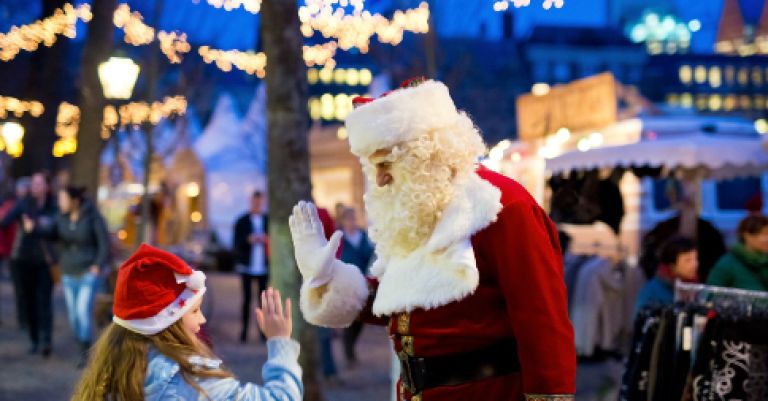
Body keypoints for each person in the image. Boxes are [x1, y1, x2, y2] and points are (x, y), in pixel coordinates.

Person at [290, 78, 576, 400]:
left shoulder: (502, 207)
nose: (381, 179)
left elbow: (543, 326)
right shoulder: (419, 210)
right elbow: (404, 303)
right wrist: (328, 278)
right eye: (374, 167)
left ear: (426, 153)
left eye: (386, 164)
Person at [70, 244, 302, 401]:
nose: (202, 319)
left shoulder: (110, 371)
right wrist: (280, 342)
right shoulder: (194, 383)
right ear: (164, 321)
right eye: (195, 311)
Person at [51, 186, 111, 367]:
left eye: (63, 199)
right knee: (73, 316)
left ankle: (85, 351)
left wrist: (97, 265)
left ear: (74, 201)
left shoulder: (93, 217)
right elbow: (50, 236)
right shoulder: (60, 218)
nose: (60, 203)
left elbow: (104, 243)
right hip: (69, 271)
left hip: (88, 272)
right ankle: (81, 345)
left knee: (83, 311)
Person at [0, 172, 57, 356]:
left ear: (47, 186)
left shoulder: (53, 206)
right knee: (30, 302)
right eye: (33, 183)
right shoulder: (24, 203)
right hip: (24, 260)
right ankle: (34, 340)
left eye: (39, 183)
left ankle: (46, 340)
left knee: (45, 302)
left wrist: (37, 227)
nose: (35, 186)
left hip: (45, 261)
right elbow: (5, 221)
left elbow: (56, 230)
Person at [337, 207, 374, 366]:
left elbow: (371, 255)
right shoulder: (339, 239)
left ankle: (351, 347)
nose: (352, 222)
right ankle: (348, 351)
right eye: (349, 219)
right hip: (346, 284)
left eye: (354, 218)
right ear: (343, 221)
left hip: (363, 282)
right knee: (350, 318)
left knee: (362, 317)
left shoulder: (364, 237)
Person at [232, 191, 269, 343]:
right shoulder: (242, 221)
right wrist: (248, 239)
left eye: (259, 202)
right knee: (246, 300)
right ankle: (244, 331)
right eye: (255, 202)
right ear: (250, 202)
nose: (257, 205)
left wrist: (266, 240)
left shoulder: (268, 220)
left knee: (263, 301)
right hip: (247, 266)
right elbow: (236, 243)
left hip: (263, 267)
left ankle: (263, 332)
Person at [635, 237, 698, 312]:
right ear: (672, 266)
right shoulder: (652, 291)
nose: (695, 264)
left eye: (695, 259)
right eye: (688, 260)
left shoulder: (696, 288)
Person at [707, 215, 768, 291]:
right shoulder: (728, 264)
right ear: (747, 235)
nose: (767, 239)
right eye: (764, 234)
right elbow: (710, 294)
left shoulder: (765, 261)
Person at [1, 177, 29, 328]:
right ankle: (23, 318)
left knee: (21, 288)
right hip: (12, 250)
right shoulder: (14, 205)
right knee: (20, 287)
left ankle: (24, 318)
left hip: (15, 250)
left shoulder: (14, 205)